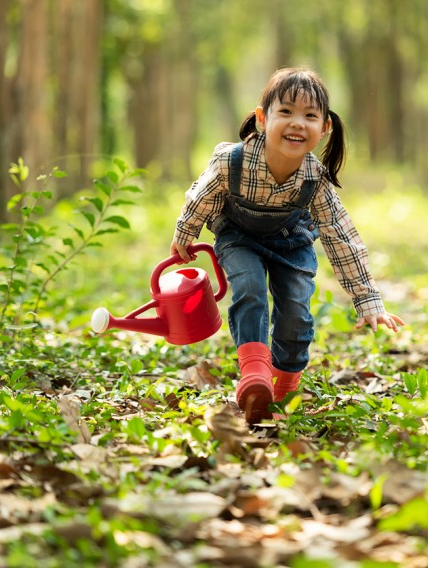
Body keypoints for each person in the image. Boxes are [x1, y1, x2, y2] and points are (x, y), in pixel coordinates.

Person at [170, 67, 404, 424]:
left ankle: (280, 391)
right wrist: (184, 234)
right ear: (263, 119)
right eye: (286, 112)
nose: (298, 123)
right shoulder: (231, 160)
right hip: (238, 236)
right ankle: (254, 373)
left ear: (325, 128)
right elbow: (200, 196)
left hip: (291, 241)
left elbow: (340, 235)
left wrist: (367, 300)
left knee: (296, 313)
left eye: (310, 116)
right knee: (248, 288)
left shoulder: (315, 179)